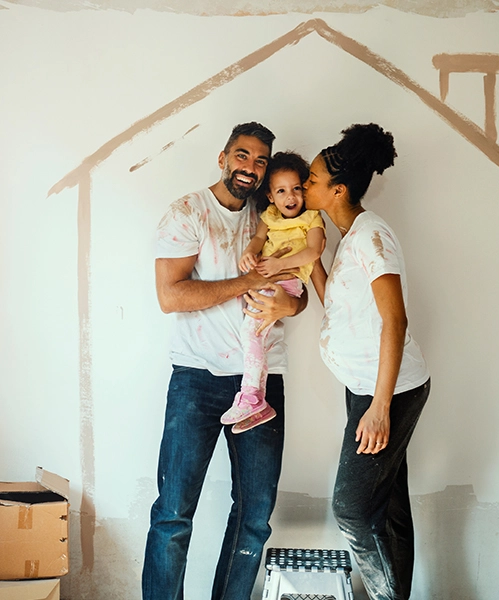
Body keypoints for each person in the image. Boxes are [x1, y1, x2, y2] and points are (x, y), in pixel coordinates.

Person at [142, 122, 308, 600]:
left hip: (261, 381)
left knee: (255, 517)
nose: (250, 168)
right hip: (197, 377)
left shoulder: (273, 211)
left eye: (260, 160)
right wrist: (246, 286)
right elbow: (170, 296)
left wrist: (289, 305)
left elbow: (301, 289)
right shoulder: (187, 212)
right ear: (223, 156)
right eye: (242, 156)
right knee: (173, 514)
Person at [303, 123, 431, 600]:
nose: (305, 185)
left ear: (338, 190)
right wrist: (312, 260)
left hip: (389, 392)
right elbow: (339, 308)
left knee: (353, 509)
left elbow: (394, 321)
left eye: (313, 179)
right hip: (365, 386)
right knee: (389, 505)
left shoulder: (373, 236)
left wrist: (379, 408)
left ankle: (383, 595)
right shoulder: (350, 236)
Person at [221, 151, 325, 433]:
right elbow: (258, 239)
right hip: (266, 281)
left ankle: (250, 396)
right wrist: (249, 254)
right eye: (281, 191)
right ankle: (257, 401)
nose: (290, 197)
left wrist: (280, 263)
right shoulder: (269, 216)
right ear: (270, 195)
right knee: (257, 336)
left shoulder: (312, 218)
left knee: (250, 333)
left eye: (296, 189)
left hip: (287, 281)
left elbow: (314, 250)